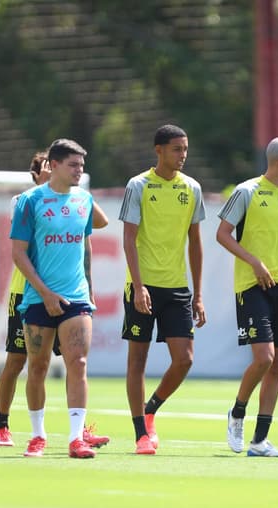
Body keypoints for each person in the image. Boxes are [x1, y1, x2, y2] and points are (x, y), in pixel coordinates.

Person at [0, 152, 110, 448]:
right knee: (22, 361)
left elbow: (91, 234)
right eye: (47, 169)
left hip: (71, 295)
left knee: (76, 362)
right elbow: (20, 249)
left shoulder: (76, 200)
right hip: (28, 292)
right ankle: (3, 423)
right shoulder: (26, 201)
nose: (76, 171)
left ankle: (77, 432)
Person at [218, 137, 278, 457]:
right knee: (265, 358)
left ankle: (260, 441)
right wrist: (254, 262)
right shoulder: (247, 191)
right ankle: (236, 413)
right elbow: (222, 234)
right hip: (251, 285)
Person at [119, 124, 207, 455]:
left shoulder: (192, 188)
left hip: (177, 288)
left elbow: (195, 244)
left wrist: (198, 294)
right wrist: (138, 286)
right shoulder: (139, 186)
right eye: (176, 149)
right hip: (143, 287)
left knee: (184, 359)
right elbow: (128, 239)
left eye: (185, 149)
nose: (182, 155)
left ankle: (151, 408)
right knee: (137, 362)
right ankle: (141, 433)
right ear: (159, 150)